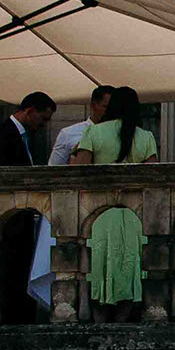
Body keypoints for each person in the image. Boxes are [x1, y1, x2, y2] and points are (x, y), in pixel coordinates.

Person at [72, 86, 159, 322]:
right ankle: (122, 324)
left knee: (98, 270)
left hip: (99, 214)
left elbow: (79, 172)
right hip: (133, 216)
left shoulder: (93, 133)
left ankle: (101, 325)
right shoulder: (146, 137)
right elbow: (154, 178)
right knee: (130, 269)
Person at [0, 93, 55, 167]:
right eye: (43, 118)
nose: (43, 124)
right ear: (30, 111)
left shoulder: (24, 134)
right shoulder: (3, 135)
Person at [48, 89, 107, 167]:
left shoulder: (117, 133)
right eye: (106, 107)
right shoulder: (68, 133)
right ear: (93, 106)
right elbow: (54, 168)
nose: (110, 111)